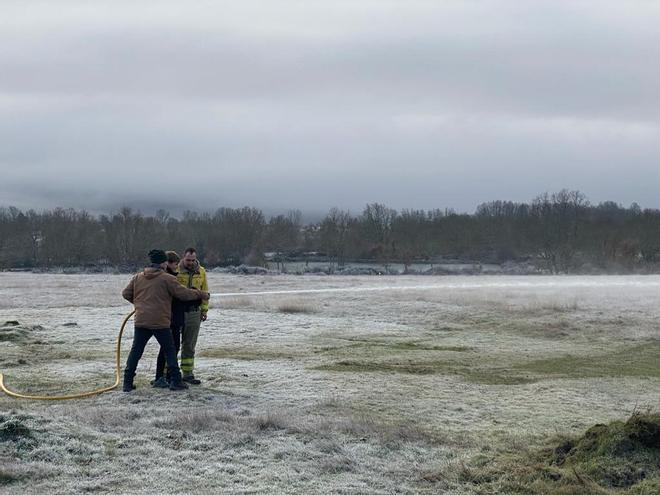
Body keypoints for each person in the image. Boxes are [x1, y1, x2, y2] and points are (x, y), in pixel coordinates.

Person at [121, 249, 210, 392]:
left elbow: (126, 294)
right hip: (160, 322)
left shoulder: (137, 277)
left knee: (136, 351)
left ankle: (127, 383)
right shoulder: (167, 279)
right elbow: (184, 294)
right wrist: (201, 294)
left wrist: (141, 305)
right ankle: (176, 381)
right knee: (170, 349)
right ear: (163, 263)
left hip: (141, 321)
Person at [151, 251, 185, 388]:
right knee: (172, 347)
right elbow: (179, 296)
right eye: (176, 264)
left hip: (171, 318)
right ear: (168, 263)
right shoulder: (168, 278)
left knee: (167, 348)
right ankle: (170, 378)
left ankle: (162, 376)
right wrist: (195, 295)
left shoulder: (167, 277)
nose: (177, 267)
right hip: (170, 319)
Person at [177, 247, 209, 385]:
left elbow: (205, 291)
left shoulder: (201, 271)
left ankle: (188, 374)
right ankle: (168, 373)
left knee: (189, 344)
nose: (190, 262)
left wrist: (204, 310)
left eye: (193, 260)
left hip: (194, 312)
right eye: (188, 260)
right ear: (183, 258)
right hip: (177, 311)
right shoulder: (175, 270)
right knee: (172, 343)